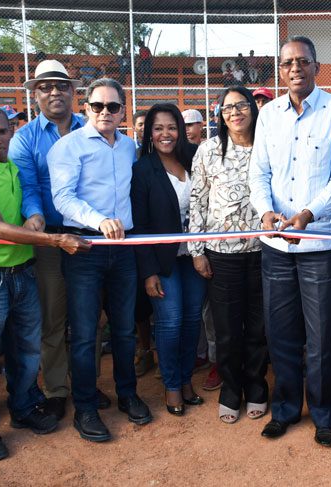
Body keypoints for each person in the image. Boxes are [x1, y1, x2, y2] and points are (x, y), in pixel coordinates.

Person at [0, 106, 90, 461]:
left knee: (27, 351)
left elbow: (28, 202)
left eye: (3, 131)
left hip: (22, 272)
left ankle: (24, 406)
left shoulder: (11, 167)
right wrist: (55, 239)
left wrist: (35, 216)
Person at [249, 35, 331, 447]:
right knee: (281, 334)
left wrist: (307, 215)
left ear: (316, 67)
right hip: (275, 245)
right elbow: (259, 174)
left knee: (320, 335)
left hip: (319, 246)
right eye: (288, 62)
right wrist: (265, 214)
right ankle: (286, 410)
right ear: (280, 69)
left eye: (303, 61)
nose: (295, 68)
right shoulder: (269, 115)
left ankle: (324, 415)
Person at [49, 78, 152, 442]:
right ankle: (86, 408)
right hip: (84, 248)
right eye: (97, 106)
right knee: (84, 333)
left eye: (112, 107)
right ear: (85, 108)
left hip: (123, 250)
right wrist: (98, 221)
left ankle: (127, 394)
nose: (105, 113)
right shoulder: (67, 147)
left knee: (124, 329)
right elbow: (62, 198)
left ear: (123, 110)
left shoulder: (130, 147)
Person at [8, 60, 91, 421]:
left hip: (88, 239)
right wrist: (36, 218)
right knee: (54, 318)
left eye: (61, 85)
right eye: (45, 86)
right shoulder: (24, 138)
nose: (54, 92)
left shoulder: (89, 129)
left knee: (88, 318)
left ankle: (87, 383)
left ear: (73, 92)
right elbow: (27, 186)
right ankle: (57, 389)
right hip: (50, 241)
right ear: (35, 93)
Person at [188, 87, 268, 423]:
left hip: (265, 251)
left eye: (241, 105)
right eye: (227, 108)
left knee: (259, 327)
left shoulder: (268, 147)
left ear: (253, 108)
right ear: (220, 115)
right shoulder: (209, 150)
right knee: (227, 328)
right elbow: (198, 200)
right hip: (221, 254)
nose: (235, 112)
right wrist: (196, 250)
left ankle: (257, 385)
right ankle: (231, 389)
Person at [131, 104, 204, 416]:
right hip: (163, 262)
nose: (165, 134)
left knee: (191, 322)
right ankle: (172, 385)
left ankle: (186, 380)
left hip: (195, 257)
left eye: (171, 127)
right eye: (158, 128)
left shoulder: (193, 159)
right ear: (150, 132)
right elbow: (140, 225)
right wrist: (148, 272)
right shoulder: (143, 169)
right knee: (171, 322)